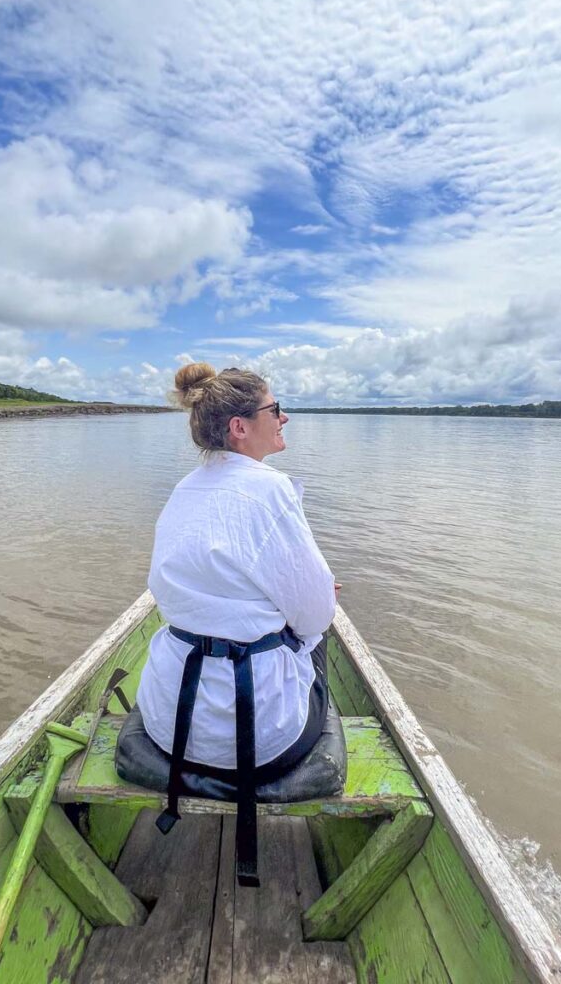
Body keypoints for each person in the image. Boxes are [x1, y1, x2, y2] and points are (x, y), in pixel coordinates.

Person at [134, 362, 339, 885]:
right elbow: (315, 615)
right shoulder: (270, 491)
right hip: (261, 742)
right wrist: (303, 618)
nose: (285, 417)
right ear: (240, 426)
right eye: (275, 409)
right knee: (314, 642)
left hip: (168, 727)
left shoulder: (183, 491)